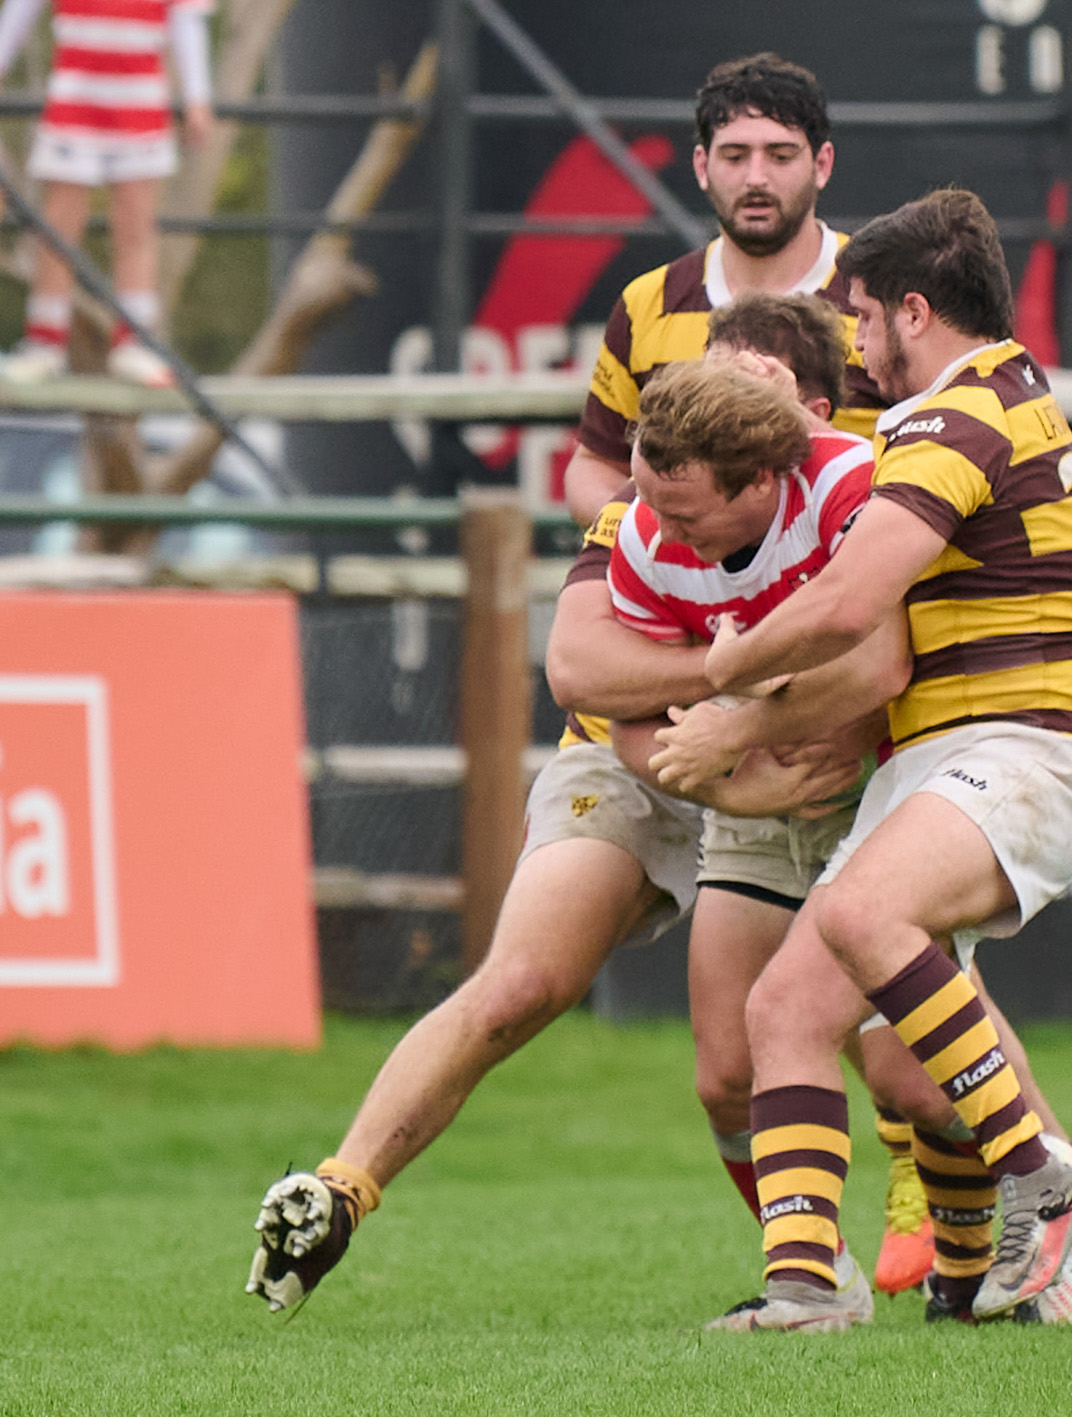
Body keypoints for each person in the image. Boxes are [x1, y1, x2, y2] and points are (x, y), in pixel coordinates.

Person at [243, 352, 864, 1317]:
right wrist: (733, 681)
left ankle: (1022, 1207)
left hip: (795, 760)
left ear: (796, 410)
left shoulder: (852, 485)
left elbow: (878, 660)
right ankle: (342, 1188)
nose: (664, 523)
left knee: (892, 1047)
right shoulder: (651, 507)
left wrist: (757, 718)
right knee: (525, 982)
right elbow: (580, 671)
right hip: (640, 755)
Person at [695, 188, 1072, 1330]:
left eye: (866, 317)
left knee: (861, 914)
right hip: (948, 755)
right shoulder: (993, 397)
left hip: (1020, 745)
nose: (856, 343)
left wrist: (730, 677)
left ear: (915, 312)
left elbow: (850, 600)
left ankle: (1045, 1176)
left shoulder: (955, 416)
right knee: (787, 1009)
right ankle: (813, 1288)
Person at [563, 50, 882, 527]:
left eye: (780, 156)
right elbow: (594, 464)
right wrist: (660, 537)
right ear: (701, 165)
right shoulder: (646, 303)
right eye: (734, 156)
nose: (756, 178)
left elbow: (938, 457)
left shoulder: (883, 294)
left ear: (822, 164)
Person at [0, 0, 213, 386]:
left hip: (141, 105)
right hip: (73, 104)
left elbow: (187, 24)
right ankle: (44, 343)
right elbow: (18, 13)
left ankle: (135, 343)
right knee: (57, 229)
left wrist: (197, 97)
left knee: (136, 229)